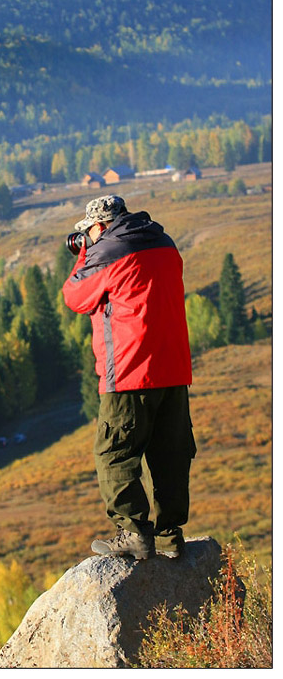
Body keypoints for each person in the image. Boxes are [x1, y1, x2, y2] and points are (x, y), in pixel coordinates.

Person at [62, 195, 196, 560]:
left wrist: (84, 253)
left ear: (101, 226)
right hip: (174, 370)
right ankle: (170, 537)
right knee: (171, 454)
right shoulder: (165, 243)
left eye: (88, 231)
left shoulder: (108, 252)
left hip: (129, 372)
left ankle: (134, 533)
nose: (87, 237)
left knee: (114, 453)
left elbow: (75, 295)